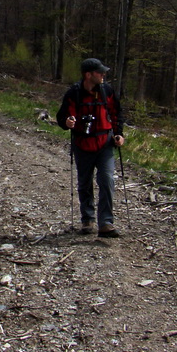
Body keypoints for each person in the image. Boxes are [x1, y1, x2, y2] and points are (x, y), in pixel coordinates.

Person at [57, 58, 125, 236]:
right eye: (99, 72)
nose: (103, 75)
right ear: (88, 75)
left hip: (105, 143)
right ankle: (87, 220)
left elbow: (117, 113)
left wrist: (119, 134)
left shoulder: (107, 91)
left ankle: (106, 224)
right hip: (82, 144)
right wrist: (67, 122)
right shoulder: (74, 93)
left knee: (107, 180)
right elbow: (62, 117)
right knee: (84, 183)